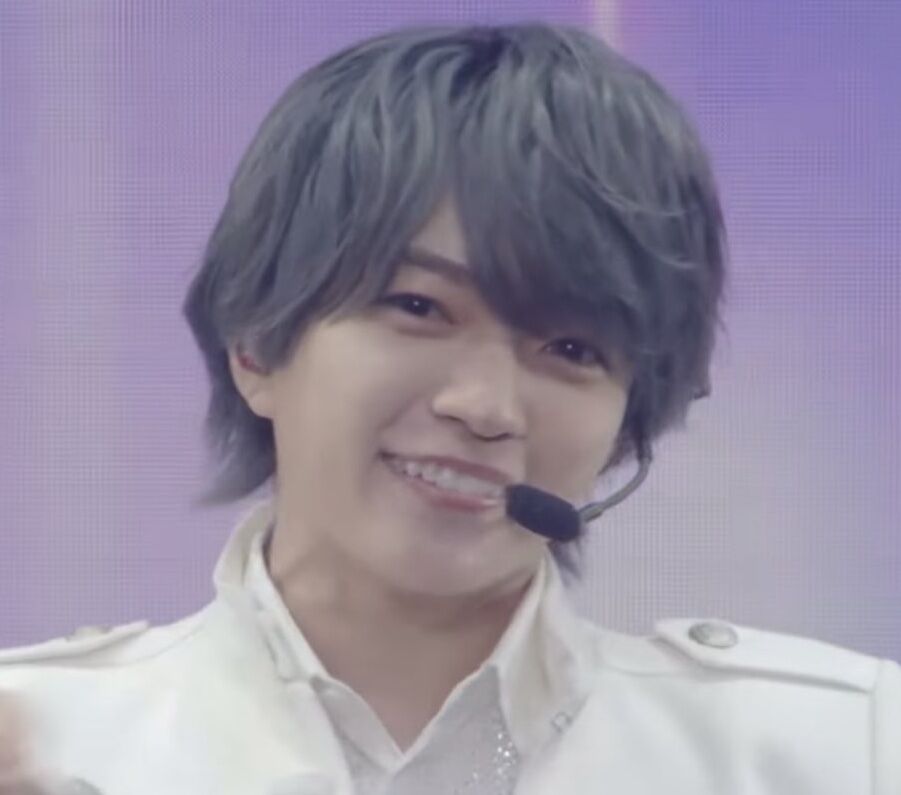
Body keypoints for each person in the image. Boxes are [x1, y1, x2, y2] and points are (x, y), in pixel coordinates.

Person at [0, 22, 898, 795]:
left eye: (572, 350)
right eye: (419, 307)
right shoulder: (44, 738)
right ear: (257, 346)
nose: (486, 407)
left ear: (628, 425)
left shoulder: (837, 751)